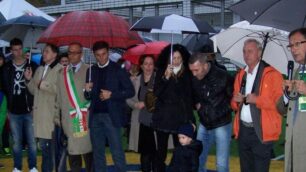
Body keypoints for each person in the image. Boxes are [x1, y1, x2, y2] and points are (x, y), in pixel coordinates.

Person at [231, 39, 283, 172]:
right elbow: (234, 106)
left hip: (261, 131)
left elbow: (280, 106)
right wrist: (236, 101)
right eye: (244, 51)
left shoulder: (273, 75)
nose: (246, 54)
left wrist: (257, 100)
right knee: (246, 168)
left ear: (259, 53)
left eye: (250, 51)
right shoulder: (240, 75)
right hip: (243, 130)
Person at [84, 41, 134, 172]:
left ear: (109, 52)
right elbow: (88, 97)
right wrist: (87, 91)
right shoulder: (91, 70)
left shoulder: (118, 69)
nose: (101, 57)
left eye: (104, 54)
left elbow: (130, 91)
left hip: (111, 117)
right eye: (98, 55)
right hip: (94, 117)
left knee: (117, 152)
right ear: (94, 55)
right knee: (98, 153)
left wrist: (112, 95)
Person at [153, 44, 195, 172]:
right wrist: (165, 77)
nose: (176, 60)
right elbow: (156, 93)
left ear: (183, 58)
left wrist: (191, 120)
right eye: (173, 58)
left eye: (178, 58)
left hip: (180, 120)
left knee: (180, 152)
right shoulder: (161, 71)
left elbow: (189, 98)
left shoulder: (188, 73)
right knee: (161, 153)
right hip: (163, 119)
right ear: (168, 58)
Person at [189, 52, 233, 172]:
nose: (194, 73)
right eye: (192, 70)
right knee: (197, 160)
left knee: (221, 165)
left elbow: (233, 101)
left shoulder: (223, 76)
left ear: (204, 65)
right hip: (204, 123)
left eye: (196, 70)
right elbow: (192, 95)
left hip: (222, 124)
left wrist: (218, 113)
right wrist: (196, 104)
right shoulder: (194, 77)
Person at [1, 38, 38, 172]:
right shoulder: (6, 68)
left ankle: (33, 166)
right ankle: (17, 167)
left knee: (32, 142)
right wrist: (7, 108)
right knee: (16, 143)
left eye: (19, 49)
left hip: (29, 110)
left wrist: (34, 106)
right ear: (11, 51)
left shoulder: (32, 65)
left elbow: (37, 87)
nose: (18, 52)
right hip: (13, 110)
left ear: (23, 49)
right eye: (15, 50)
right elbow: (4, 87)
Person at [24, 43, 62, 172]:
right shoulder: (40, 69)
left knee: (51, 152)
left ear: (55, 54)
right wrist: (29, 80)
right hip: (40, 117)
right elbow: (34, 91)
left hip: (51, 118)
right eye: (43, 51)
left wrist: (44, 85)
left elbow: (61, 91)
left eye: (47, 51)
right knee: (46, 151)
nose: (44, 53)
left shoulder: (61, 69)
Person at [56, 42, 93, 172]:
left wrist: (90, 92)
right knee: (73, 158)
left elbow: (96, 97)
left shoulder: (90, 71)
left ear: (81, 54)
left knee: (89, 157)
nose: (72, 55)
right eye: (70, 52)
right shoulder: (61, 73)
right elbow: (58, 99)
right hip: (69, 121)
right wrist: (58, 119)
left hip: (86, 121)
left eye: (75, 52)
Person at [126, 55, 157, 171]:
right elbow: (128, 99)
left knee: (157, 155)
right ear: (141, 66)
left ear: (154, 66)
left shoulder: (160, 80)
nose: (148, 66)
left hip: (156, 123)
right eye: (146, 64)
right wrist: (135, 104)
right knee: (145, 155)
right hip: (141, 123)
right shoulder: (135, 80)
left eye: (151, 64)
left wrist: (150, 103)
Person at [283, 27, 306, 172]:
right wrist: (285, 95)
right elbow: (285, 109)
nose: (293, 49)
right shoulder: (297, 71)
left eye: (297, 44)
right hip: (293, 144)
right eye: (291, 45)